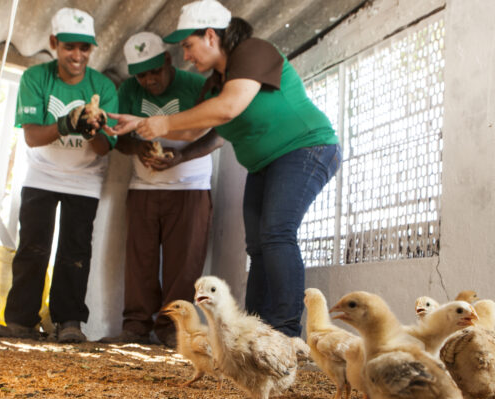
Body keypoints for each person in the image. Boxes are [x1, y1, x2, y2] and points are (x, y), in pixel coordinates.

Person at [107, 0, 341, 338]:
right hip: (264, 164)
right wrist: (144, 125)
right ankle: (257, 335)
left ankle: (287, 334)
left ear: (210, 36)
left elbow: (228, 108)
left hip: (308, 148)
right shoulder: (214, 84)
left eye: (188, 45)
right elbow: (194, 132)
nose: (186, 56)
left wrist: (161, 123)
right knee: (258, 246)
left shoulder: (253, 51)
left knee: (276, 233)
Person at [0, 7, 117, 343]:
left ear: (92, 49)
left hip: (85, 179)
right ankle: (21, 321)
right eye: (69, 47)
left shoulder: (103, 86)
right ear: (54, 43)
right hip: (41, 174)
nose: (77, 55)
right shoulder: (36, 78)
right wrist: (66, 123)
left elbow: (106, 149)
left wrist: (95, 130)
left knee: (75, 252)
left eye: (85, 48)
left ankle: (69, 322)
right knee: (33, 247)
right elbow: (32, 136)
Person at [99, 32, 223, 347]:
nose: (150, 80)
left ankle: (173, 330)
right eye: (142, 75)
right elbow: (120, 138)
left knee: (185, 263)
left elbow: (220, 133)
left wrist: (182, 155)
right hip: (143, 185)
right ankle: (136, 328)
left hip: (191, 185)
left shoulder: (196, 85)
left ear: (168, 60)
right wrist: (136, 150)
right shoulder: (127, 89)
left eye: (156, 71)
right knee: (139, 261)